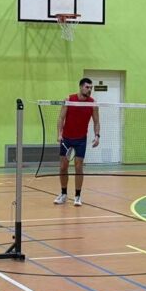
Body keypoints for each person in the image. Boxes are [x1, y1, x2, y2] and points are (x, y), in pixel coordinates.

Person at [54, 78, 100, 207]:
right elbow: (61, 118)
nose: (89, 90)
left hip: (81, 139)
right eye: (87, 87)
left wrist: (97, 136)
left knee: (79, 167)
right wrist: (59, 134)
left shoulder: (93, 103)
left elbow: (96, 122)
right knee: (63, 167)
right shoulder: (69, 99)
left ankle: (77, 196)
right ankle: (63, 194)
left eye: (91, 88)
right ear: (80, 87)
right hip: (66, 138)